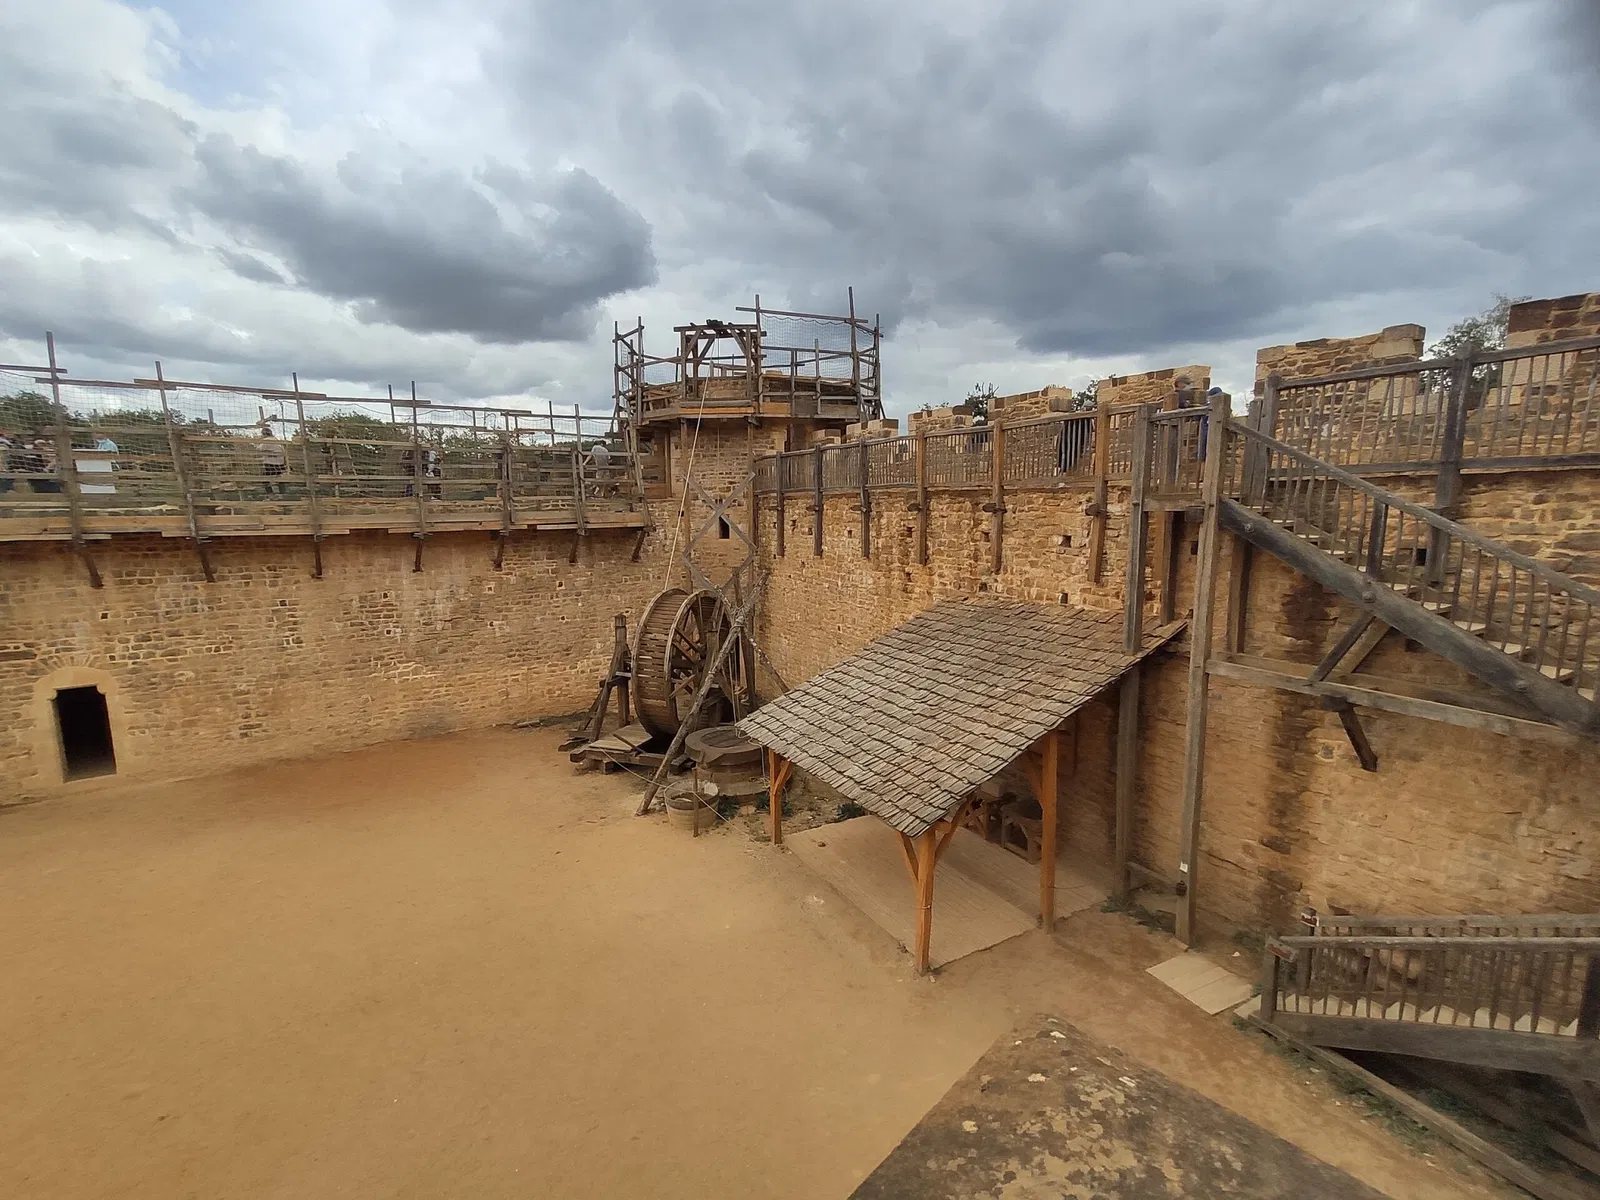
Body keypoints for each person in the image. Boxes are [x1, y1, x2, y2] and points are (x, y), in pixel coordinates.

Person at [259, 420, 288, 496]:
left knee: (265, 479)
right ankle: (283, 493)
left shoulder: (266, 440)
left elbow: (259, 448)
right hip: (279, 462)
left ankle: (270, 494)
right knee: (279, 478)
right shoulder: (276, 440)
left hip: (270, 463)